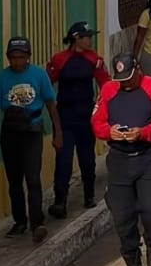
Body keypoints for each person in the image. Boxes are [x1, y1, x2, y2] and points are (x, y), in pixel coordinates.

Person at [91, 53, 151, 266]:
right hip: (119, 160)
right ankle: (132, 265)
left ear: (137, 69)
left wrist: (144, 132)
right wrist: (110, 131)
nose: (125, 83)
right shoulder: (109, 90)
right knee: (122, 215)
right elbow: (97, 122)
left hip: (147, 156)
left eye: (128, 77)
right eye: (121, 79)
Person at [0, 36, 62, 243]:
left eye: (21, 57)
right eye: (13, 57)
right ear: (8, 58)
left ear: (28, 57)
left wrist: (58, 132)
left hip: (32, 132)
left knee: (33, 178)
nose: (17, 61)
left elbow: (51, 105)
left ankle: (37, 222)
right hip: (10, 133)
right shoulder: (2, 78)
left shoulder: (39, 75)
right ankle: (20, 221)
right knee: (14, 181)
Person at [45, 21, 109, 220]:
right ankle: (60, 201)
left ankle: (89, 196)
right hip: (65, 118)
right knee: (63, 161)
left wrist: (101, 112)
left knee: (87, 159)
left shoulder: (94, 59)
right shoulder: (59, 59)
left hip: (85, 117)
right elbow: (47, 86)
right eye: (87, 36)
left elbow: (105, 86)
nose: (90, 39)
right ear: (76, 38)